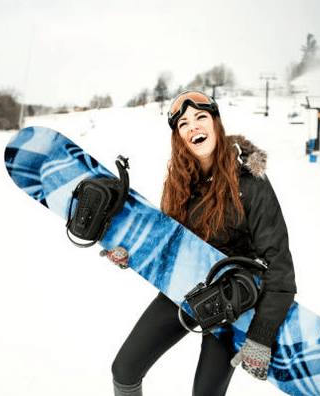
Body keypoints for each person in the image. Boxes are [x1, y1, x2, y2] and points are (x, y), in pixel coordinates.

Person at [111, 91, 297, 396]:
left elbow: (278, 264)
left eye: (200, 117)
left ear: (216, 122)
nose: (193, 126)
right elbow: (167, 244)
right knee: (125, 369)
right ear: (179, 136)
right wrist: (129, 252)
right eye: (183, 123)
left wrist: (261, 335)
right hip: (186, 286)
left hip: (233, 301)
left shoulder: (250, 182)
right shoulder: (177, 181)